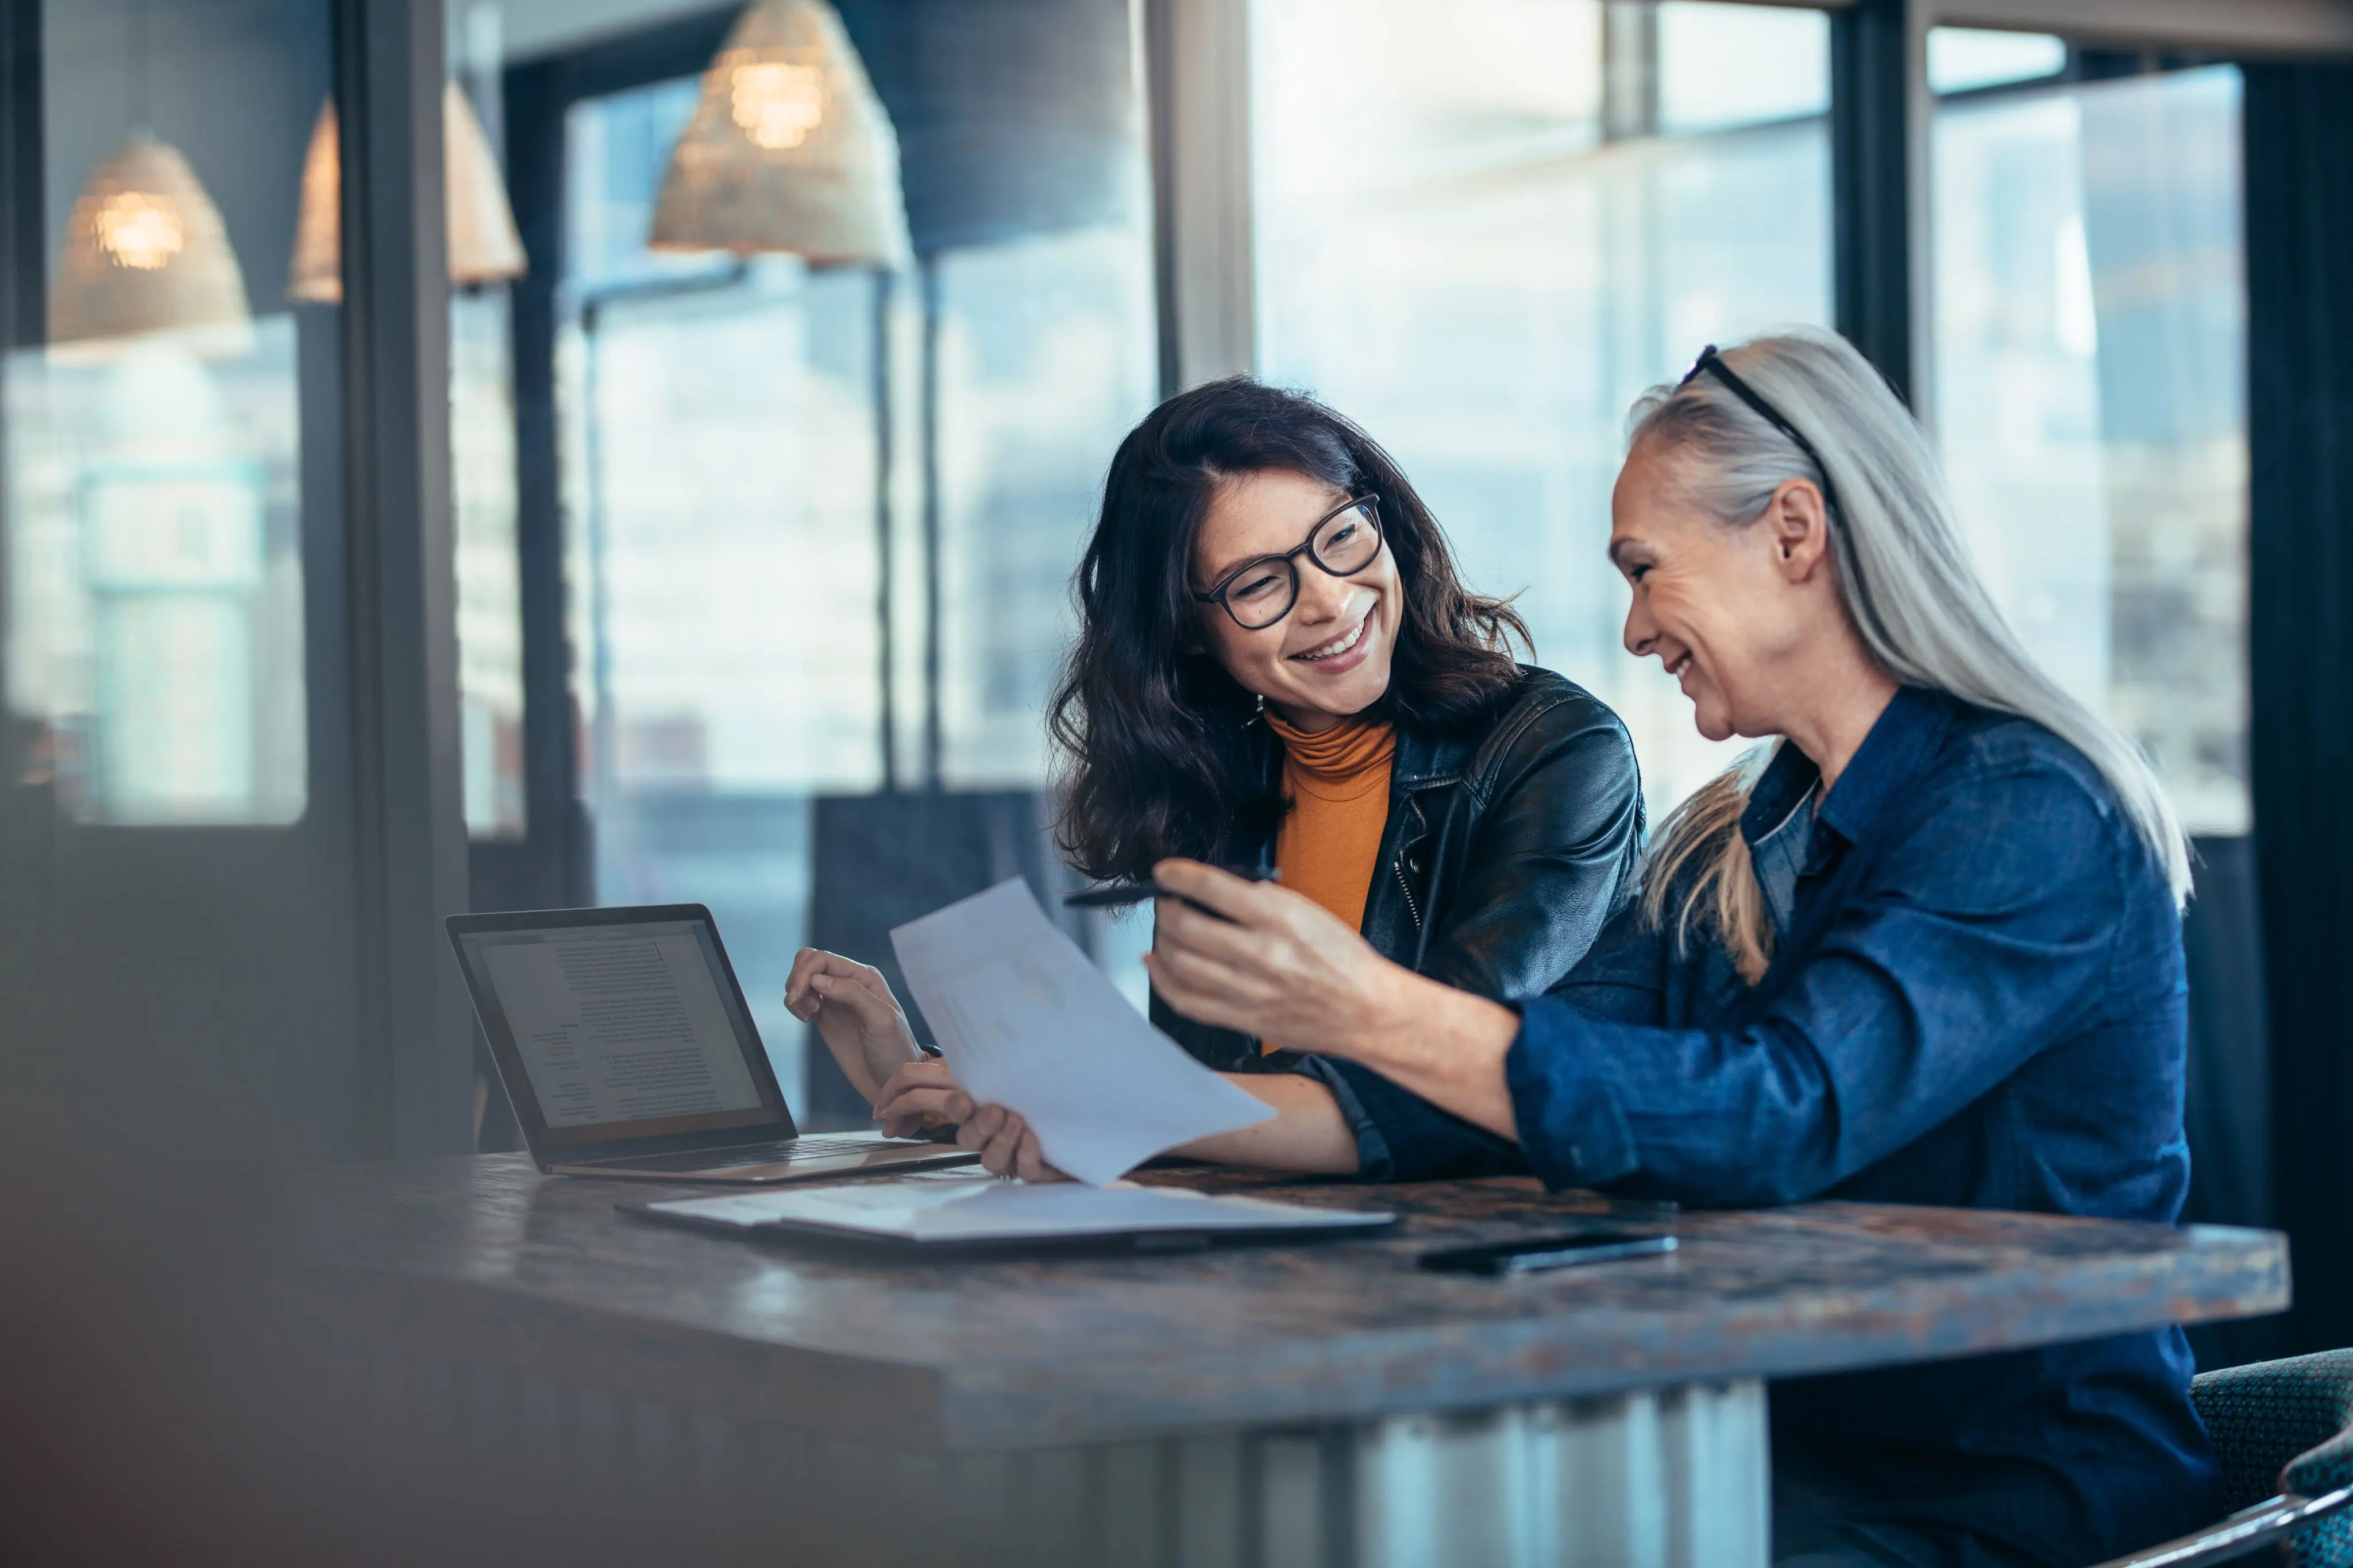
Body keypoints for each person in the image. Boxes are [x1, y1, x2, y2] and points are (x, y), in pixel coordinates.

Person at [888, 329, 2217, 1566]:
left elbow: (1780, 1114)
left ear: (1794, 533)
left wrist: (1359, 1004)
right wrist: (1091, 1113)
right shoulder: (1738, 834)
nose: (1633, 628)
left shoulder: (2020, 808)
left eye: (1644, 570)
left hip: (2005, 1497)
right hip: (1780, 1453)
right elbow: (1496, 1103)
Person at [789, 375, 1644, 1126]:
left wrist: (1080, 1098)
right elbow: (1193, 1107)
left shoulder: (1557, 751)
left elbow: (1446, 1072)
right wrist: (941, 1082)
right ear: (1190, 633)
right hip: (1266, 1254)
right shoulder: (1212, 790)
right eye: (1260, 583)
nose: (1330, 600)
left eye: (1341, 535)